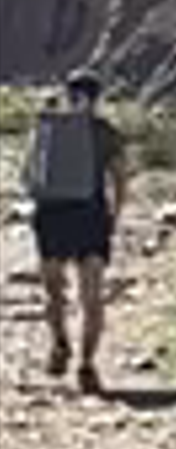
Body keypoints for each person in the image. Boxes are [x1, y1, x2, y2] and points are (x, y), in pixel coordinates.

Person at [26, 67, 128, 396]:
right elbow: (120, 180)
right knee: (92, 297)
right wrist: (115, 215)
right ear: (98, 98)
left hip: (52, 216)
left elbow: (29, 173)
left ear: (68, 93)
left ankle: (59, 343)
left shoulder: (48, 128)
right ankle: (87, 364)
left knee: (54, 291)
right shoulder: (106, 132)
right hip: (90, 216)